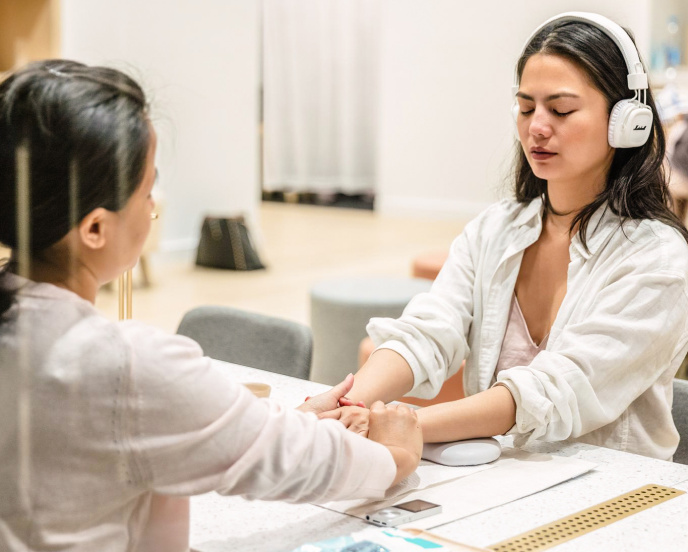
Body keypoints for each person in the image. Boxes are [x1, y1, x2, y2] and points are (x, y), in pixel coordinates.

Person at [0, 60, 422, 552]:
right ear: (95, 228)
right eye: (146, 189)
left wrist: (287, 421)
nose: (153, 206)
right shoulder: (123, 363)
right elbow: (289, 463)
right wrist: (396, 457)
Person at [321, 13, 688, 461]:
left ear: (625, 121)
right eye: (527, 106)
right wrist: (349, 401)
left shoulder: (660, 259)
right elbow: (428, 332)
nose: (537, 126)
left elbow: (554, 390)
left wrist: (406, 424)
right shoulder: (495, 229)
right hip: (497, 473)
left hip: (612, 496)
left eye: (561, 109)